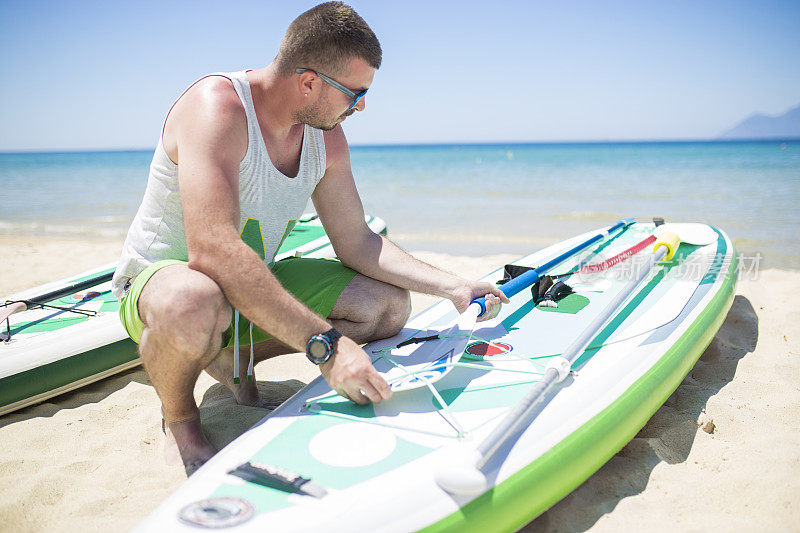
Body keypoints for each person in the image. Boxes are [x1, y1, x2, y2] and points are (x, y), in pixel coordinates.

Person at [111, 1, 508, 474]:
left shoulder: (325, 137)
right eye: (355, 93)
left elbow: (357, 240)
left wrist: (454, 286)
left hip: (245, 281)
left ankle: (226, 351)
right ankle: (179, 417)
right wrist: (328, 346)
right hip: (166, 285)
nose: (361, 106)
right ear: (308, 82)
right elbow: (212, 250)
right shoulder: (216, 109)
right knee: (194, 301)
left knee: (385, 306)